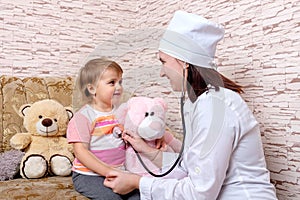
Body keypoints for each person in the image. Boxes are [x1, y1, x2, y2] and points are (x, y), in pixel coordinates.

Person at [103, 10, 277, 199]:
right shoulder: (199, 103)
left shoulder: (215, 107)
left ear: (184, 62)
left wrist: (137, 182)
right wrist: (146, 150)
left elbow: (199, 193)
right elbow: (190, 167)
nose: (162, 73)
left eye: (163, 62)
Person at [67, 58, 140, 200]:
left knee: (141, 196)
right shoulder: (83, 117)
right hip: (89, 175)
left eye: (120, 82)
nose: (118, 87)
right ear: (92, 88)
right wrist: (108, 171)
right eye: (112, 82)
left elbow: (140, 128)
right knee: (111, 198)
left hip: (121, 171)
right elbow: (81, 151)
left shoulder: (123, 111)